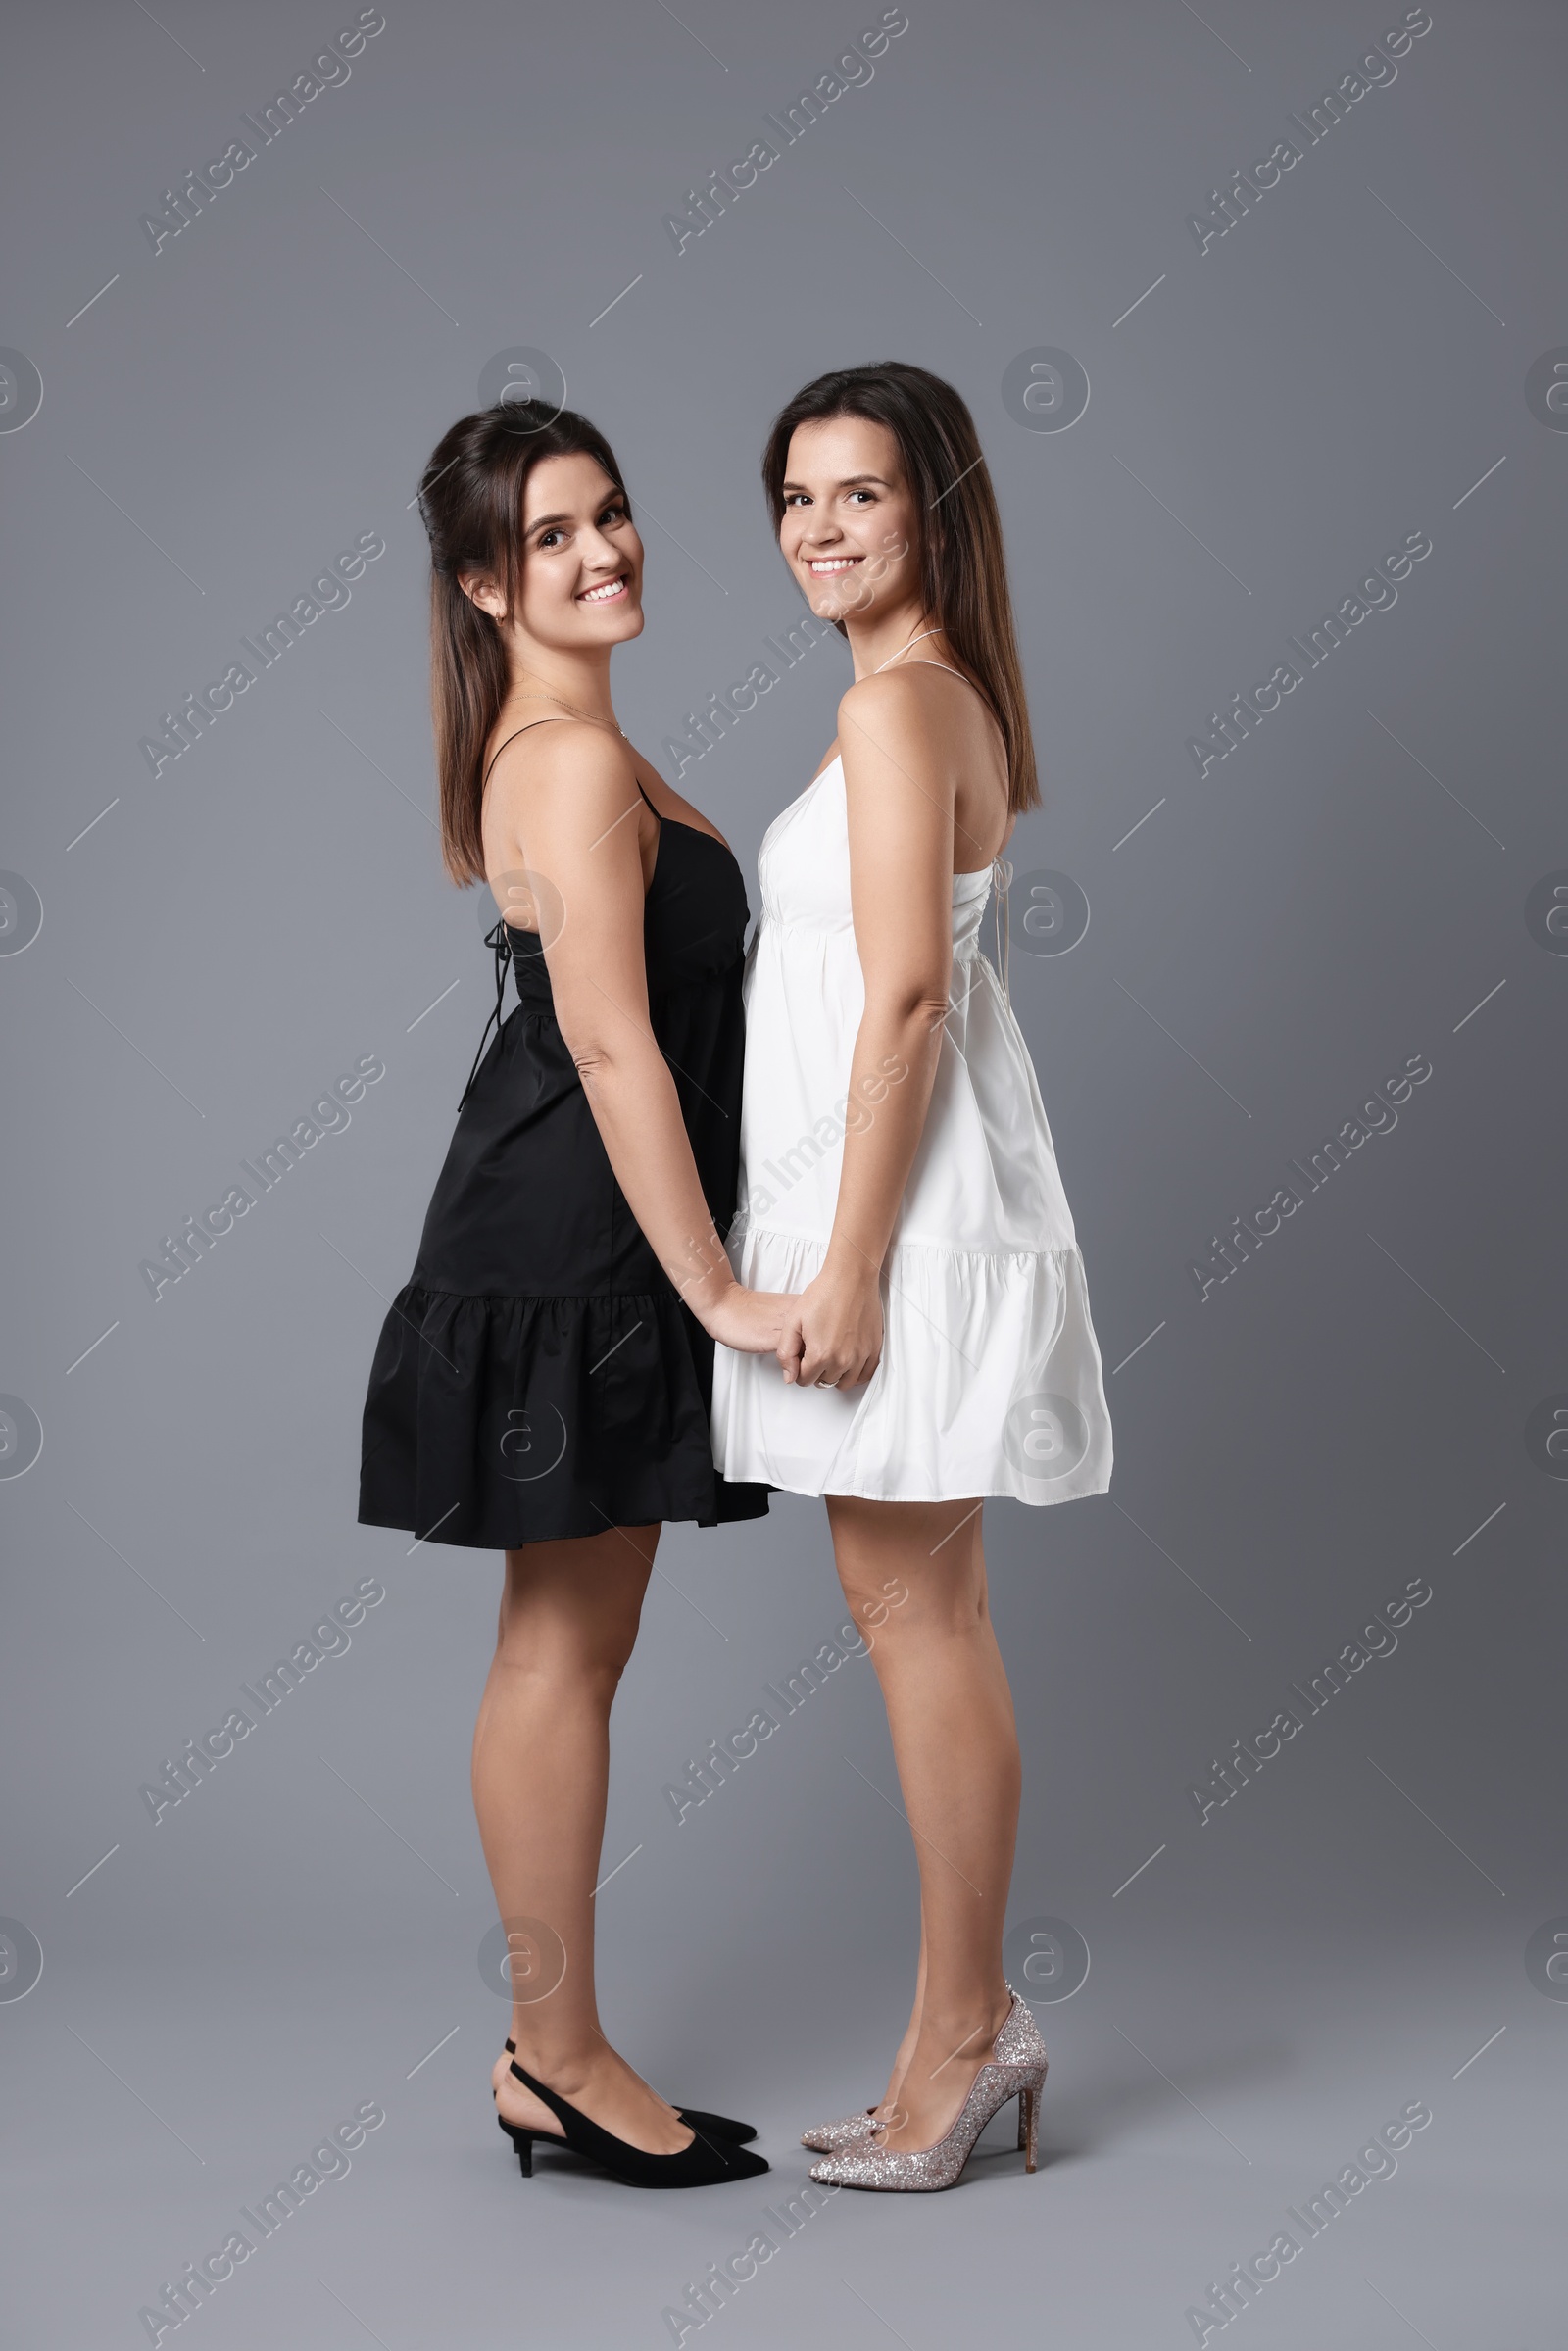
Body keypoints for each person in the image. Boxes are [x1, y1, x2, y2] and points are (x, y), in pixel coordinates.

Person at [358, 399, 783, 2189]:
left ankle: (560, 2049)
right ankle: (556, 2056)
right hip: (580, 1244)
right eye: (550, 535)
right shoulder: (568, 760)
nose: (602, 550)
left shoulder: (580, 742)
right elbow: (612, 1047)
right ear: (481, 581)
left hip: (590, 1231)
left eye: (608, 513)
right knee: (557, 1651)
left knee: (577, 1647)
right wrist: (724, 1294)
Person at [711, 362, 1114, 2191]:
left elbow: (903, 995)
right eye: (796, 497)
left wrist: (851, 1258)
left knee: (920, 1626)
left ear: (931, 511)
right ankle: (953, 2028)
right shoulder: (914, 699)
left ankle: (966, 2035)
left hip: (913, 1219)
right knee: (923, 1622)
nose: (817, 528)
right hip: (920, 1200)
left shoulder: (900, 713)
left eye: (859, 494)